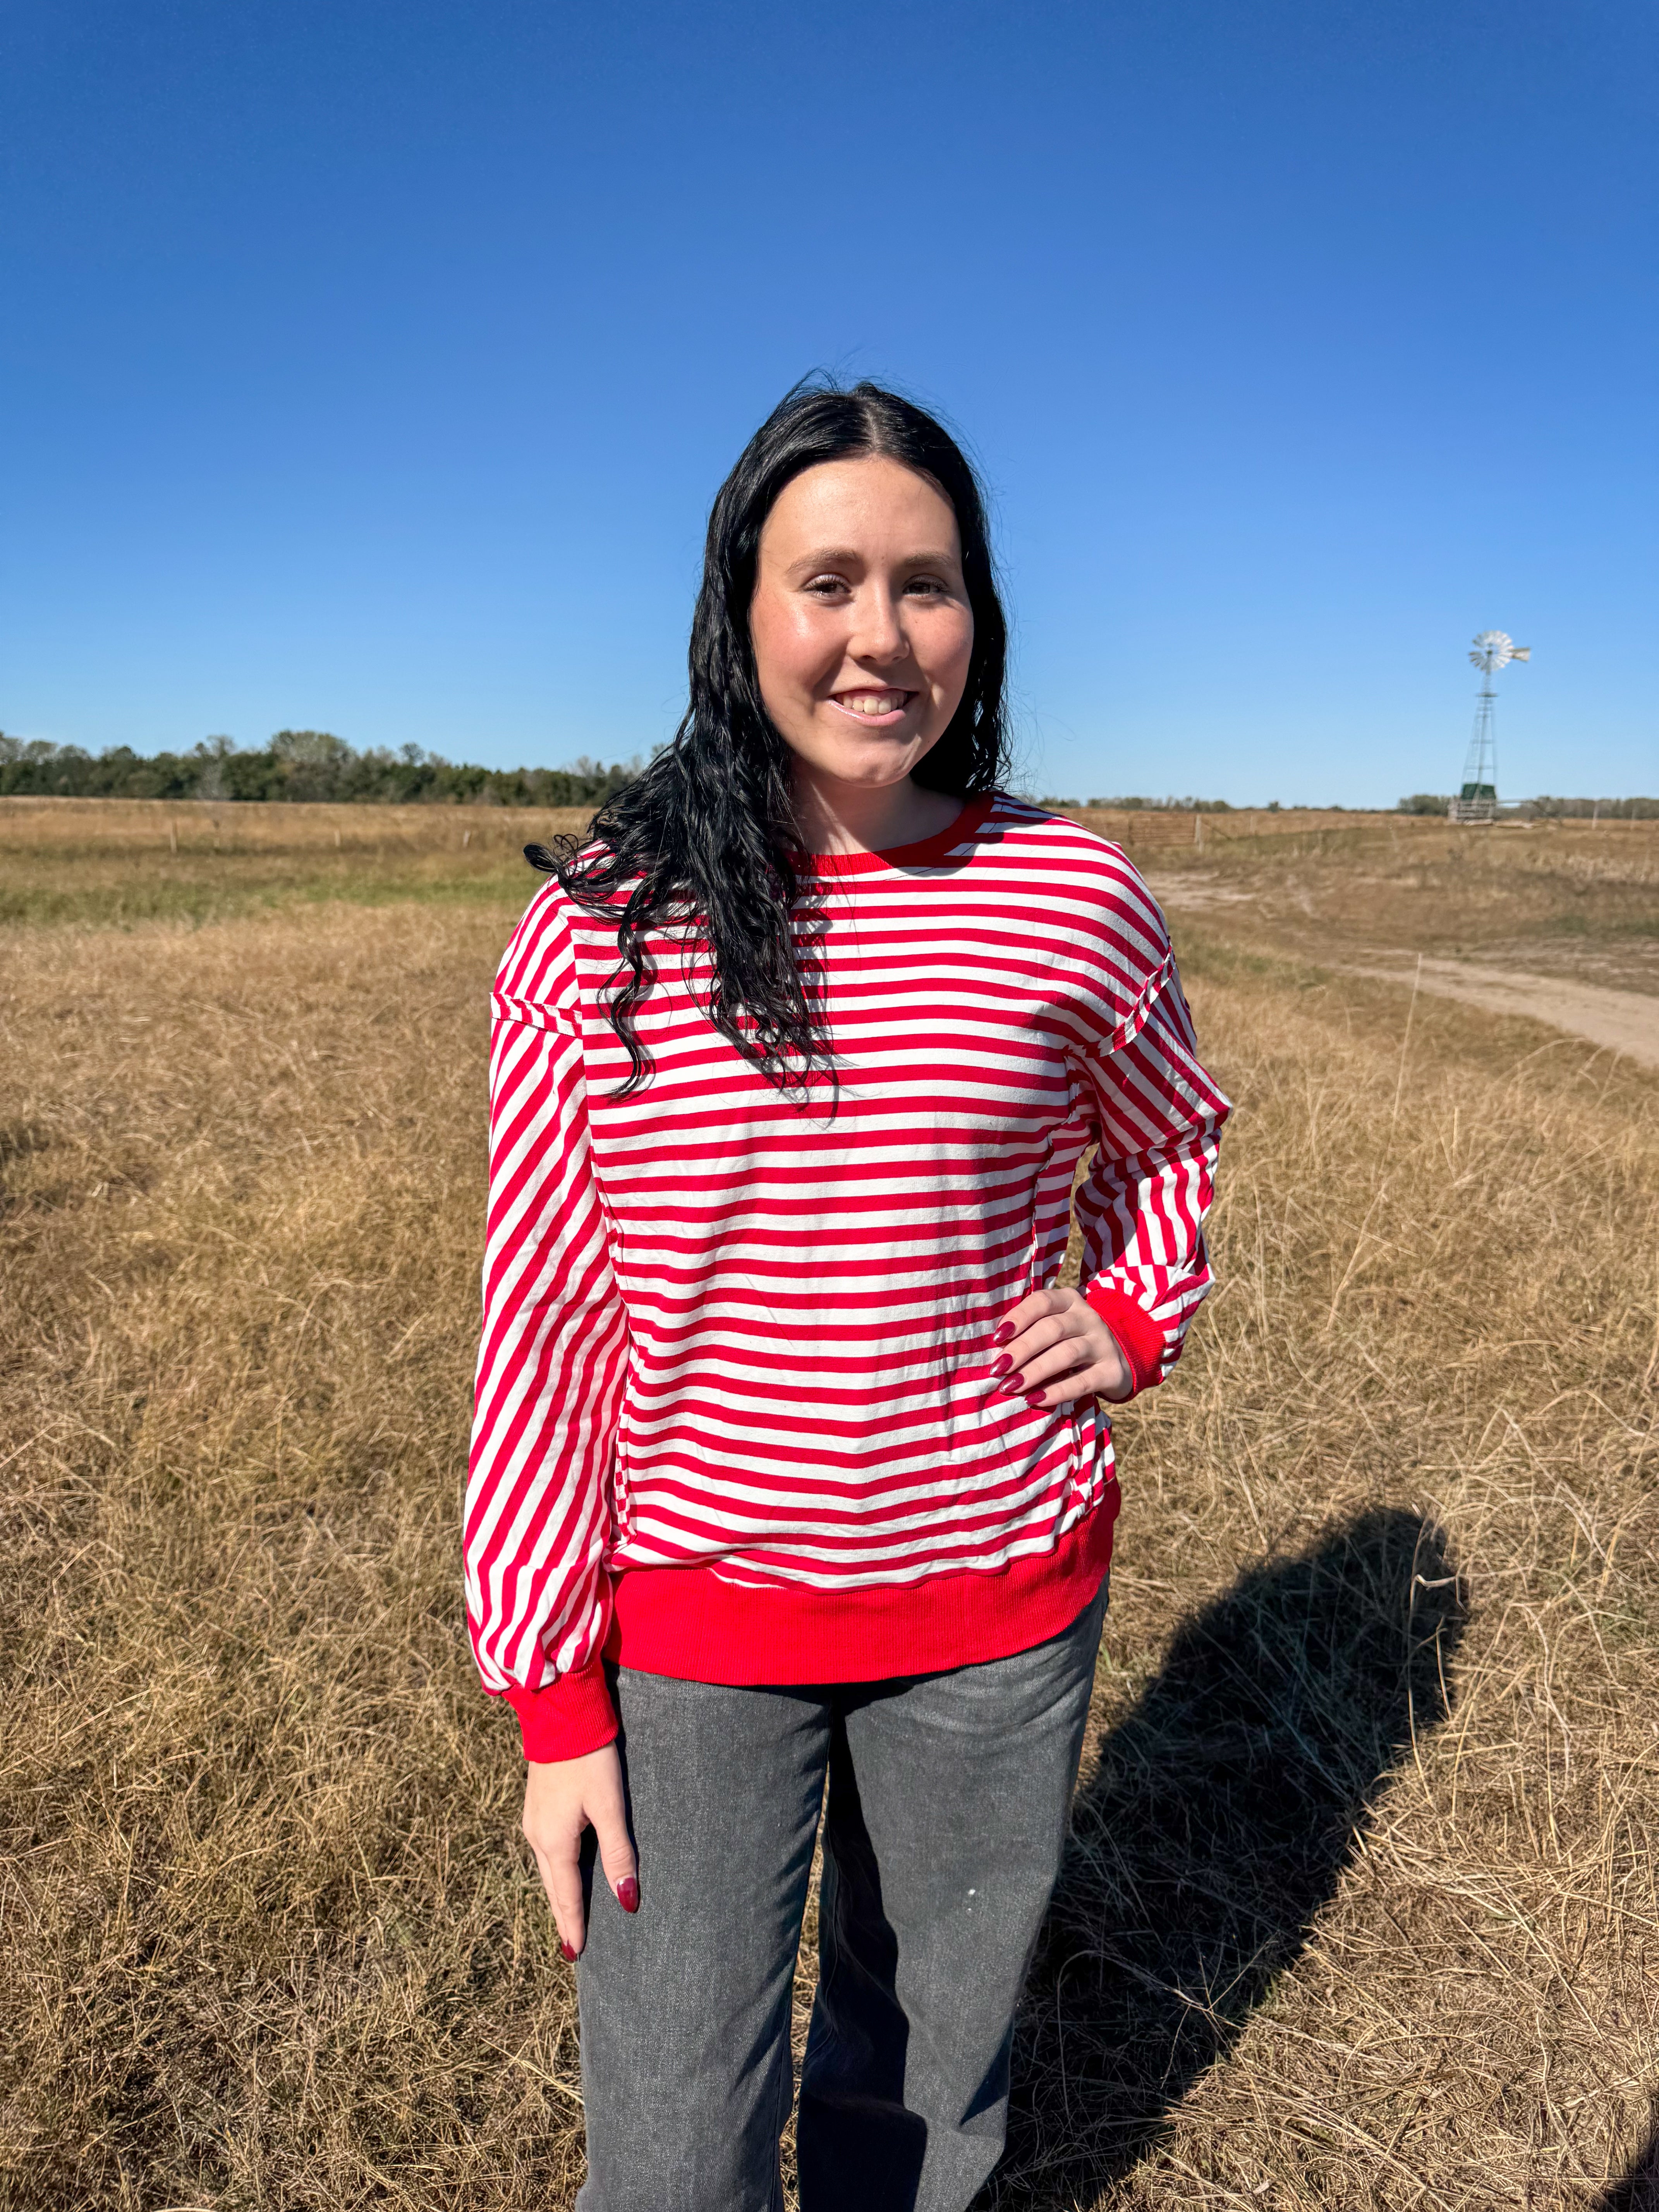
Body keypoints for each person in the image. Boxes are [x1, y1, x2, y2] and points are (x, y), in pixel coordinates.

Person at [464, 380, 1230, 2212]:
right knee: (676, 2140)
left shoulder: (1071, 894)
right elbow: (545, 1328)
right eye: (829, 582)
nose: (882, 636)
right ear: (740, 614)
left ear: (979, 616)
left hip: (995, 1613)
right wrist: (554, 1703)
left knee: (924, 2096)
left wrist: (1130, 1316)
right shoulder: (606, 926)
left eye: (927, 584)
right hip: (694, 1630)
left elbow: (1171, 1139)